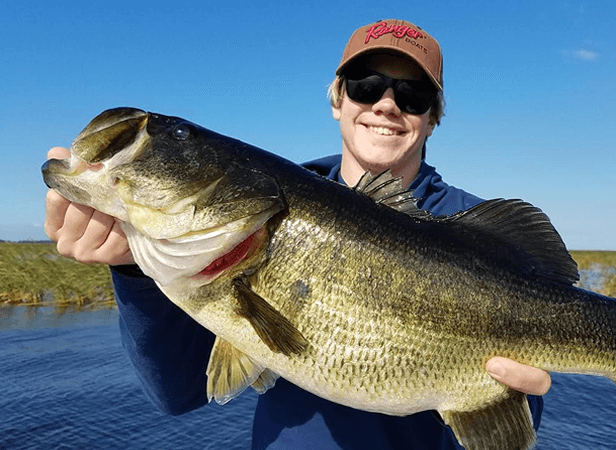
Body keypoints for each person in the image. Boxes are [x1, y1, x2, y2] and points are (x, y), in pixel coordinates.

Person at [44, 19, 552, 449]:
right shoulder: (265, 210)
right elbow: (179, 395)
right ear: (338, 99)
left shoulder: (479, 231)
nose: (387, 105)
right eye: (366, 86)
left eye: (413, 94)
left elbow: (511, 417)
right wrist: (131, 269)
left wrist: (517, 400)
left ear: (431, 119)